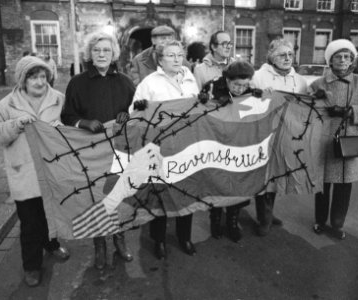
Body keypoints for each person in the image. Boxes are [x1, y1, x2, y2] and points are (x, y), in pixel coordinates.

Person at [0, 56, 70, 287]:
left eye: (43, 76)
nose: (39, 82)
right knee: (30, 222)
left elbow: (71, 128)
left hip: (51, 171)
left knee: (50, 215)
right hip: (24, 173)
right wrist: (16, 124)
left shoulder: (59, 99)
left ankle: (51, 245)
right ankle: (31, 266)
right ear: (23, 80)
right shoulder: (7, 105)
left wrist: (61, 130)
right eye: (33, 77)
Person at [61, 31, 134, 270]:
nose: (101, 54)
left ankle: (119, 240)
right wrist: (82, 123)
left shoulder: (124, 81)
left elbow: (137, 111)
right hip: (90, 153)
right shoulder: (77, 82)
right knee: (95, 199)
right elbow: (67, 115)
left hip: (118, 152)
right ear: (90, 54)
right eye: (97, 50)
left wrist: (128, 116)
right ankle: (100, 245)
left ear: (114, 54)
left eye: (106, 50)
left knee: (118, 196)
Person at [130, 40, 199, 259]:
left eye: (180, 55)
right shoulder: (150, 83)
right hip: (160, 148)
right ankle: (158, 239)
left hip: (186, 146)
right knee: (159, 194)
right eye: (171, 55)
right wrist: (143, 109)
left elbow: (197, 111)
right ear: (160, 59)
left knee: (186, 193)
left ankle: (184, 236)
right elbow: (134, 111)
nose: (177, 59)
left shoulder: (190, 79)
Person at [310, 39, 358, 239]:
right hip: (323, 141)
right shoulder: (318, 84)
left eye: (347, 56)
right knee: (322, 186)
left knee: (344, 186)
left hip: (350, 142)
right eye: (338, 57)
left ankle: (337, 224)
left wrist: (350, 111)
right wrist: (318, 103)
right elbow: (306, 111)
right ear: (330, 60)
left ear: (351, 60)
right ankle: (320, 221)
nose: (342, 60)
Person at [251, 39, 308, 236]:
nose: (287, 58)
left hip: (287, 135)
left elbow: (306, 107)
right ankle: (263, 217)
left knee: (276, 176)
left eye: (290, 54)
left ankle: (269, 212)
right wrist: (261, 99)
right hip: (264, 134)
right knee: (264, 177)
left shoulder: (299, 80)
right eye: (282, 55)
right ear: (272, 57)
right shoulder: (258, 76)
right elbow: (248, 102)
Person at [198, 60, 256, 242]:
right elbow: (198, 110)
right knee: (217, 183)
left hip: (239, 143)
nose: (240, 89)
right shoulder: (212, 86)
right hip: (216, 143)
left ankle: (232, 220)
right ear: (227, 79)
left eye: (245, 85)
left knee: (237, 184)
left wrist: (260, 96)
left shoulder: (250, 89)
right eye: (236, 84)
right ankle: (215, 219)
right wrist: (211, 102)